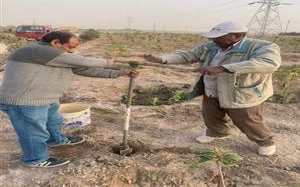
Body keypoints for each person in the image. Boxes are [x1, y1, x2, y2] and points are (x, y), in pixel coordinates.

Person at [0, 31, 138, 168]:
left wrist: (119, 73)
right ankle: (35, 159)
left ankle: (56, 140)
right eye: (70, 47)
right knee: (33, 132)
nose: (72, 52)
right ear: (55, 43)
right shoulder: (36, 50)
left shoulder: (55, 57)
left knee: (54, 121)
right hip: (25, 101)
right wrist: (107, 62)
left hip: (45, 98)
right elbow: (81, 61)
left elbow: (83, 69)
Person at [143, 21, 281, 156]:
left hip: (240, 92)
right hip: (212, 88)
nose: (213, 39)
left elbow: (269, 63)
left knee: (246, 119)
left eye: (219, 37)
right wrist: (162, 59)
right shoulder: (212, 46)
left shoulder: (261, 47)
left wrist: (223, 68)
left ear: (237, 36)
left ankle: (265, 142)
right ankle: (217, 132)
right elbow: (187, 55)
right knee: (210, 114)